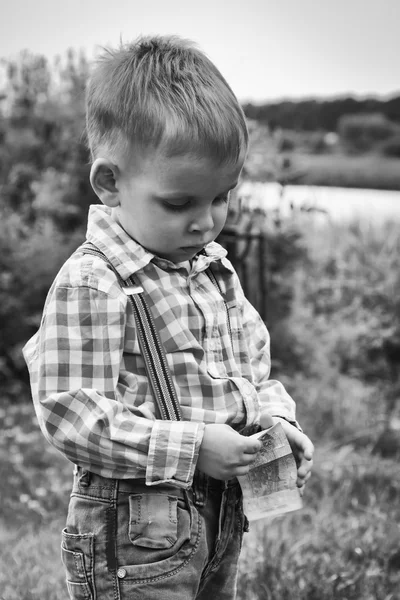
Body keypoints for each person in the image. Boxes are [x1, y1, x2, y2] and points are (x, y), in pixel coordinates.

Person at [23, 35, 314, 600]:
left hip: (220, 523)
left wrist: (279, 423)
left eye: (221, 197)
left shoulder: (212, 273)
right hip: (134, 539)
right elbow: (68, 413)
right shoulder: (95, 282)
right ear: (110, 183)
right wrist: (193, 446)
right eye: (179, 204)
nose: (206, 223)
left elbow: (251, 374)